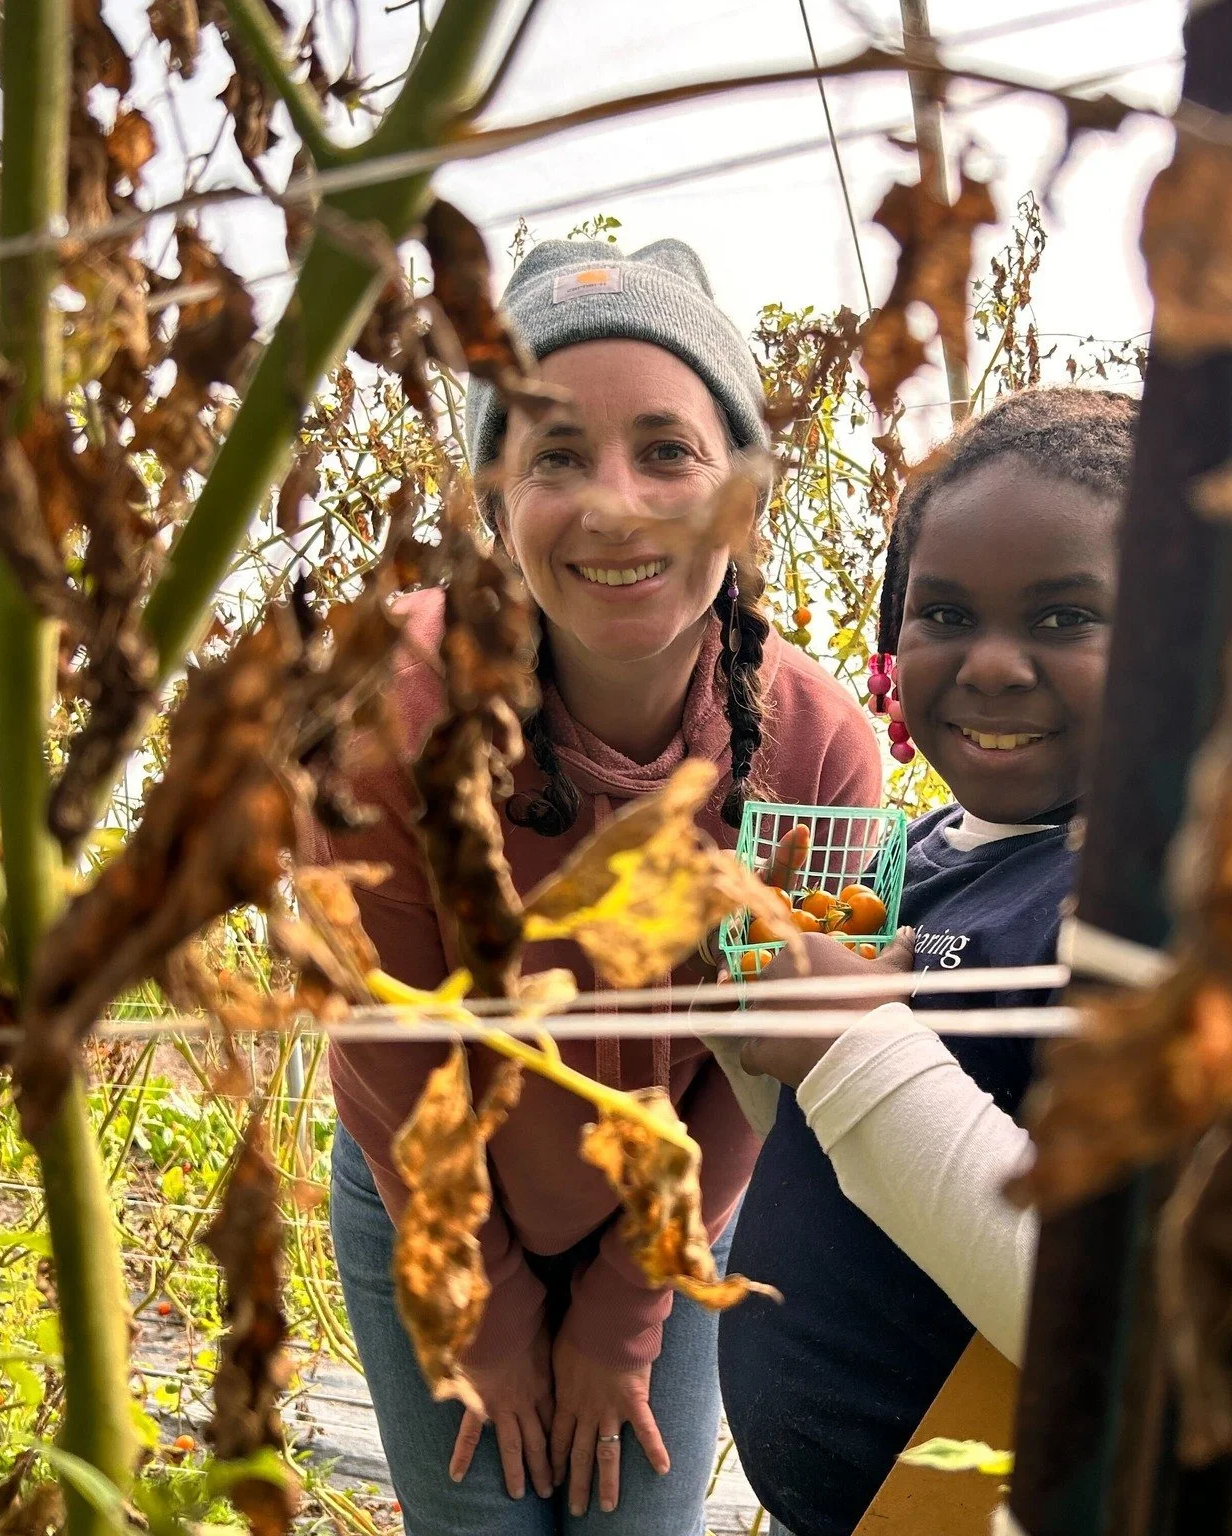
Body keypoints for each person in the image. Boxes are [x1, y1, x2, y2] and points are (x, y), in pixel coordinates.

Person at [314, 238, 882, 1535]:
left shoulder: (811, 749)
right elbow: (390, 1046)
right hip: (433, 1196)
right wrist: (499, 1313)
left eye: (668, 451)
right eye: (556, 457)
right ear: (494, 498)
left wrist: (626, 1317)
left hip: (673, 1212)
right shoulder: (389, 711)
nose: (615, 504)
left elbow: (758, 1078)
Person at [713, 387, 1232, 1536]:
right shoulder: (928, 861)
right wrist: (752, 1017)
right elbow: (857, 1148)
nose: (991, 665)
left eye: (1063, 618)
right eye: (943, 613)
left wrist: (854, 1045)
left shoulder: (1176, 915)